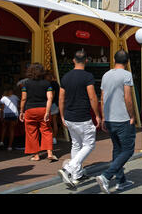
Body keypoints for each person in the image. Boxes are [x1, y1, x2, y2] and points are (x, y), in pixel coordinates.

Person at [57, 50, 100, 188]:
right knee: (89, 144)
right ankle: (69, 168)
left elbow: (61, 98)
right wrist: (98, 115)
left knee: (76, 144)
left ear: (73, 61)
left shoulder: (65, 77)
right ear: (86, 60)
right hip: (82, 116)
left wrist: (62, 115)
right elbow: (93, 97)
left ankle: (77, 175)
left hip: (69, 116)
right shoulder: (87, 76)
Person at [96, 50, 136, 194]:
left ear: (114, 59)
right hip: (122, 118)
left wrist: (104, 116)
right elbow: (128, 97)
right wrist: (132, 115)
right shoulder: (126, 75)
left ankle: (121, 181)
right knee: (128, 150)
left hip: (110, 118)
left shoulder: (106, 75)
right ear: (127, 62)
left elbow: (102, 97)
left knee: (117, 149)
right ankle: (106, 176)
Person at [19, 63, 57, 162]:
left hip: (30, 109)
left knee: (31, 132)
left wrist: (21, 111)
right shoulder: (47, 83)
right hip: (43, 109)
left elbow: (23, 99)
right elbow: (50, 98)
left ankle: (36, 155)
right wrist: (47, 112)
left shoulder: (26, 84)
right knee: (46, 130)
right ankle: (50, 153)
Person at [0, 86, 19, 151]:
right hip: (14, 114)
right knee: (11, 130)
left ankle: (1, 142)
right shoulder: (15, 97)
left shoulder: (3, 98)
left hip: (6, 114)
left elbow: (2, 109)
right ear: (12, 91)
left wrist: (1, 117)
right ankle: (9, 146)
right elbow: (17, 106)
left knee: (4, 128)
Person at [45, 71, 60, 145]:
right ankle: (54, 137)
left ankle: (52, 137)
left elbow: (52, 95)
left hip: (52, 104)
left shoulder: (52, 84)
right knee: (54, 121)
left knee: (50, 121)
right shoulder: (56, 83)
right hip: (56, 103)